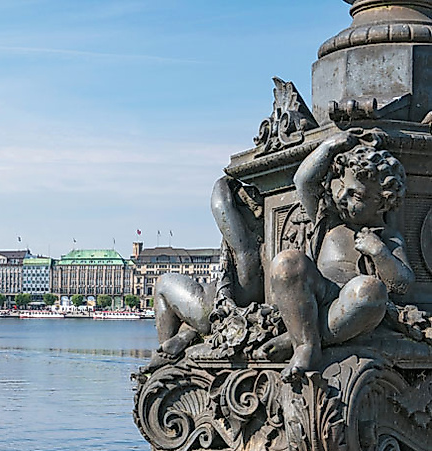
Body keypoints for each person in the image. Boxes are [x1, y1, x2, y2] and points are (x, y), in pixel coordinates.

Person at [261, 129, 412, 380]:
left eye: (356, 195)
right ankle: (306, 347)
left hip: (351, 307)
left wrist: (379, 251)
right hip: (317, 292)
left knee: (370, 291)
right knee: (287, 261)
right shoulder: (329, 220)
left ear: (383, 203)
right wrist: (329, 147)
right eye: (342, 186)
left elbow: (403, 283)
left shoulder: (388, 237)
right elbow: (303, 181)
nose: (342, 196)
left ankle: (298, 336)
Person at [146, 176, 264, 369]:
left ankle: (167, 358)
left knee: (163, 283)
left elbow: (219, 204)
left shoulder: (245, 246)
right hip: (225, 301)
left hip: (210, 309)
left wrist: (228, 181)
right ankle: (186, 334)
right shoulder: (263, 246)